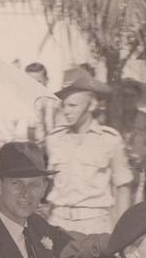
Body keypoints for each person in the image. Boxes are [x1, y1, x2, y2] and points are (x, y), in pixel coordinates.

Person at [46, 67, 133, 232]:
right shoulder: (54, 139)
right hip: (58, 223)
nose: (66, 111)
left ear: (92, 105)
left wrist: (121, 232)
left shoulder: (109, 140)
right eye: (64, 105)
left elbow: (123, 188)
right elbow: (51, 186)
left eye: (72, 105)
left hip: (95, 225)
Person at [24, 62, 61, 147]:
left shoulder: (54, 104)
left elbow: (57, 131)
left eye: (38, 82)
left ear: (46, 80)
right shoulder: (24, 102)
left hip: (48, 147)